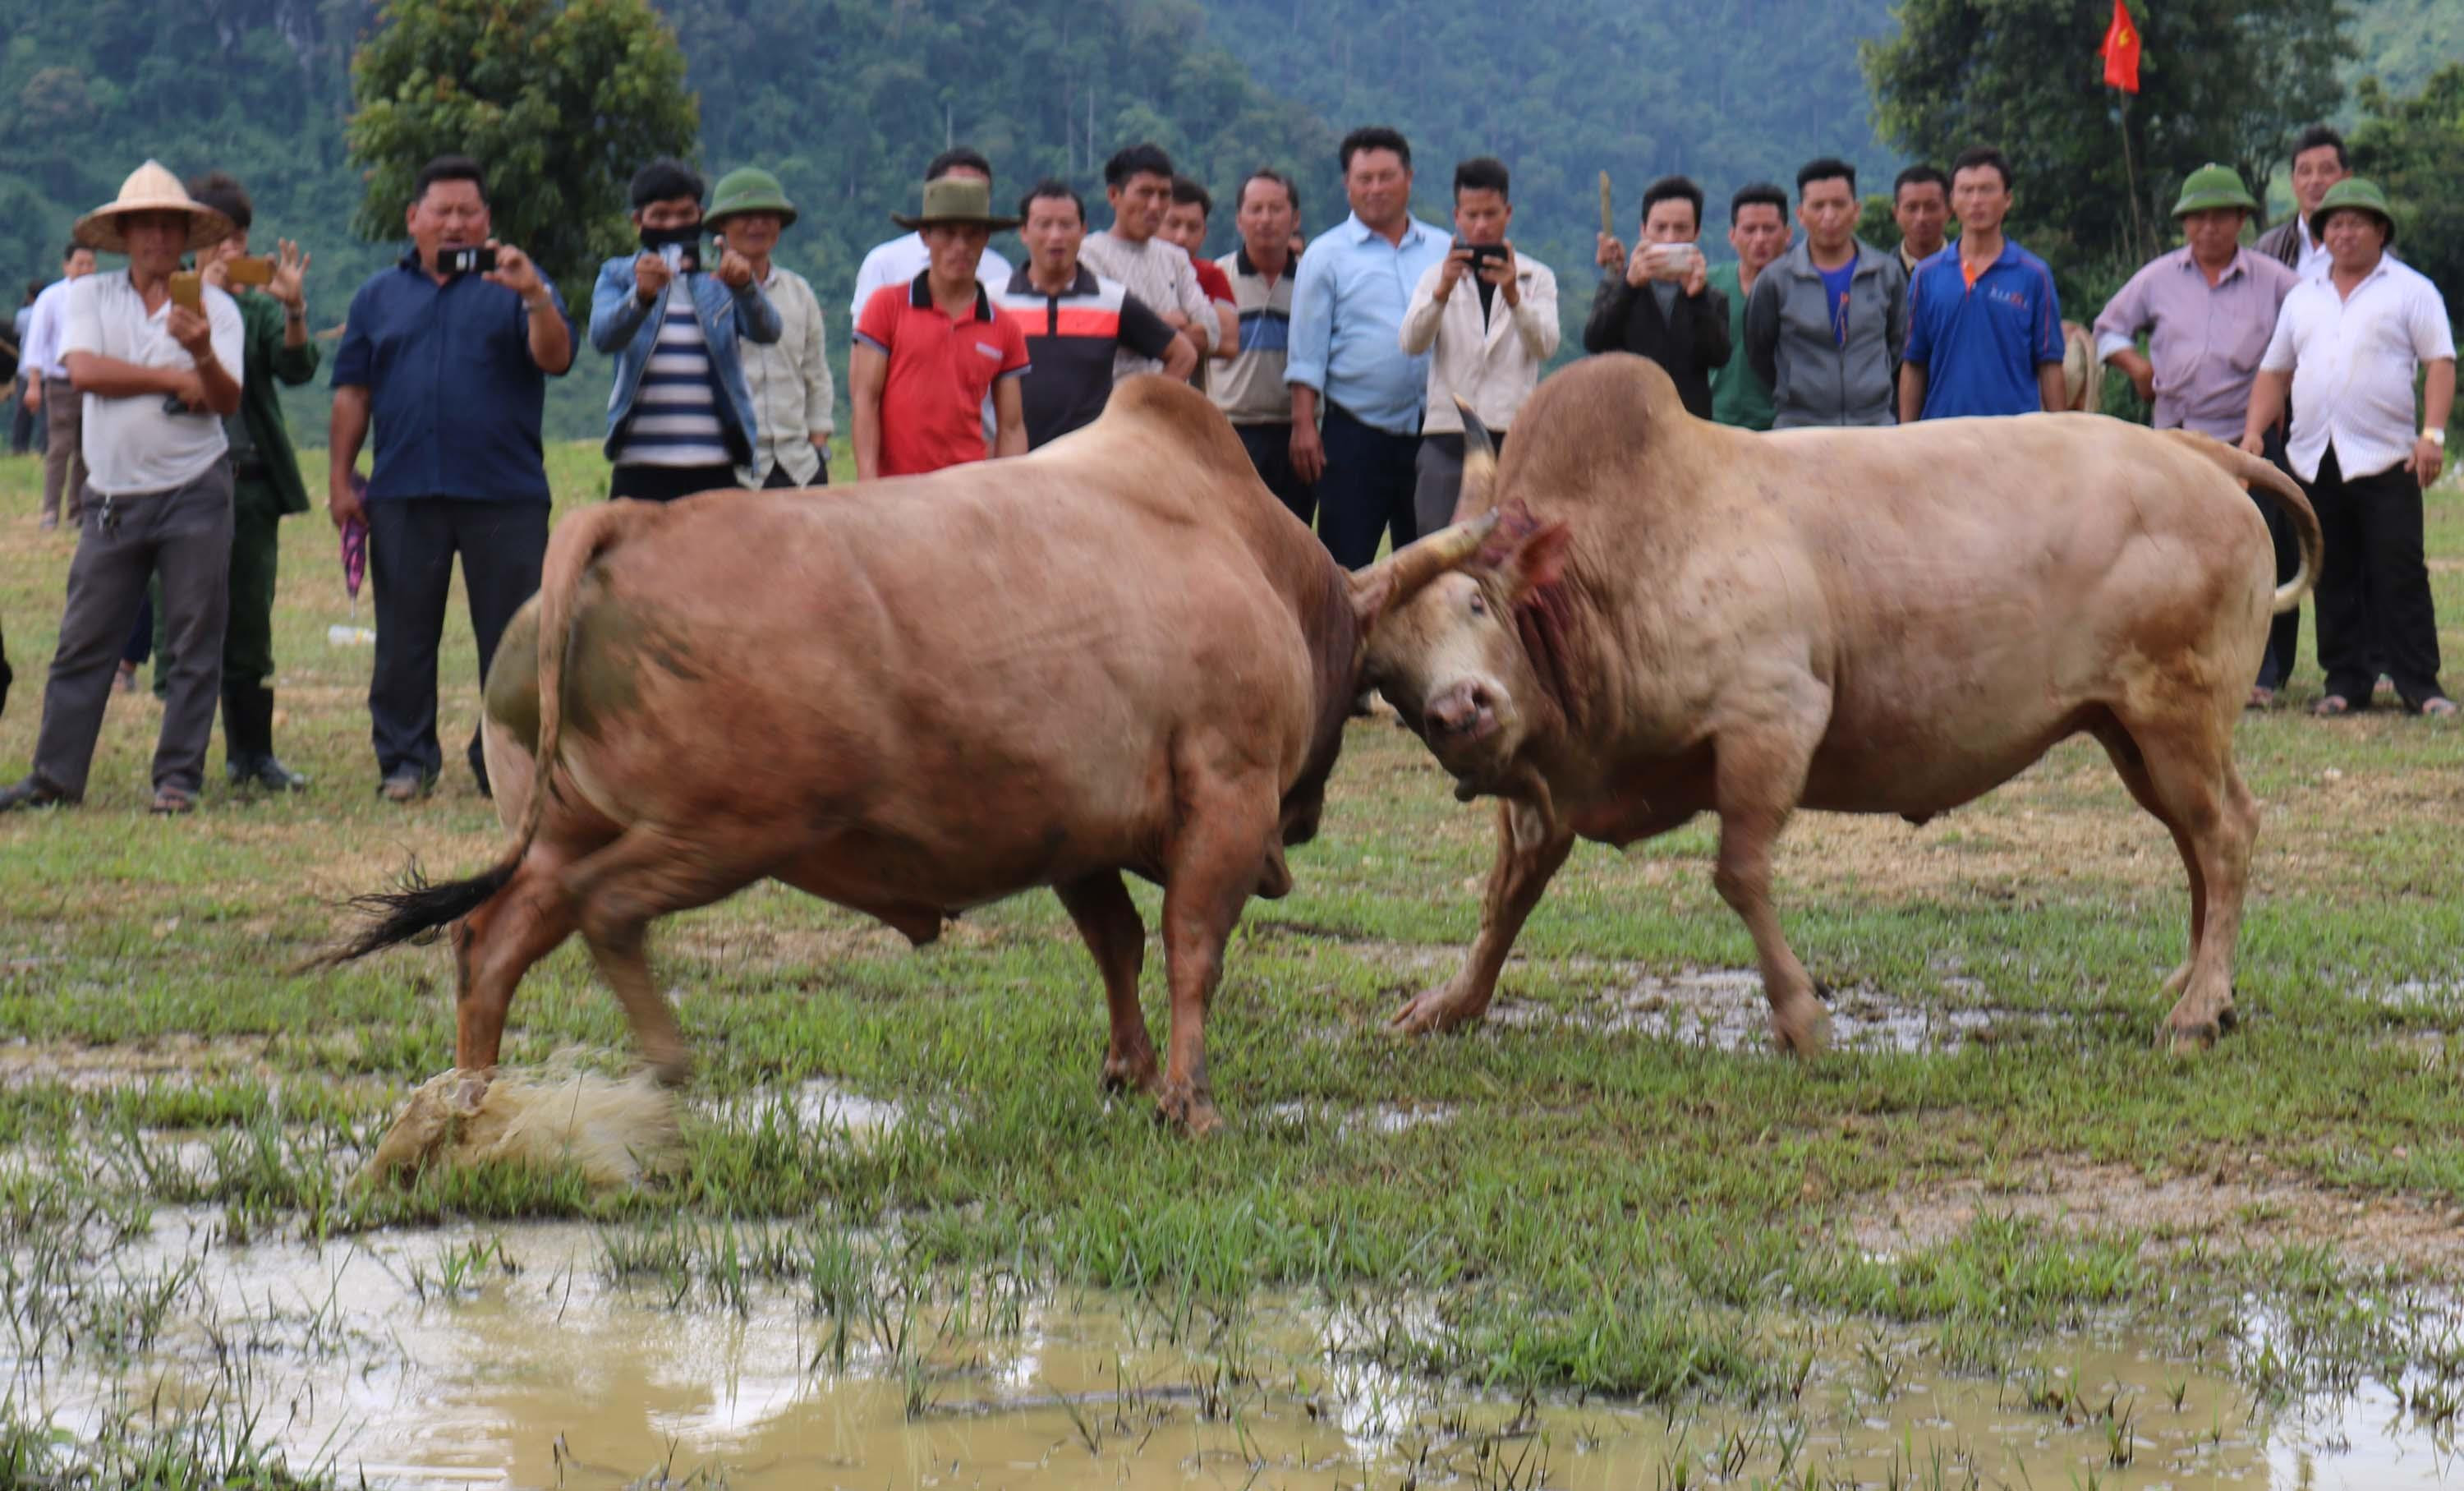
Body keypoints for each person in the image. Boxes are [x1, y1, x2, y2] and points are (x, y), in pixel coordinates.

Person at [328, 154, 575, 803]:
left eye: (470, 211)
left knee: (513, 638)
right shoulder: (377, 296)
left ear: (488, 220)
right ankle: (405, 762)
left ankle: (506, 762)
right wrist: (338, 480)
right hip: (404, 489)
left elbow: (556, 358)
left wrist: (533, 295)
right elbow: (352, 393)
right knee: (405, 637)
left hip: (506, 491)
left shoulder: (520, 283)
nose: (457, 222)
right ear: (414, 219)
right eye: (443, 210)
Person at [0, 163, 243, 816]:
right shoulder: (90, 297)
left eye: (171, 225)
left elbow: (223, 397)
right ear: (125, 235)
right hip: (111, 496)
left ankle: (177, 779)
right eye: (146, 226)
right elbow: (82, 372)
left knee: (194, 638)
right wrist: (173, 379)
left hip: (196, 488)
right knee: (84, 637)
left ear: (187, 234)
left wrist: (201, 357)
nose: (159, 237)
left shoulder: (216, 308)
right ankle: (54, 775)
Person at [2242, 178, 2456, 719]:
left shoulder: (2411, 289)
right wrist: (2252, 431)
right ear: (2322, 234)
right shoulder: (2303, 295)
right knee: (2331, 570)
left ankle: (2420, 685)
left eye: (2357, 222)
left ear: (2381, 230)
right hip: (2314, 454)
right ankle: (2344, 681)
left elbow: (2440, 363)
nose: (2345, 232)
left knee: (2398, 568)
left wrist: (2432, 434)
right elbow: (2275, 370)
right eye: (2335, 224)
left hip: (2388, 455)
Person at [2094, 164, 2301, 706]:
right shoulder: (2157, 278)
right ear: (2185, 224)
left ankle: (2263, 672)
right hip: (2179, 439)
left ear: (2241, 220)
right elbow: (2108, 329)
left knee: (2264, 548)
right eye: (2197, 218)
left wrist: (2288, 391)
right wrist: (2137, 368)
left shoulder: (2274, 279)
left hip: (2251, 435)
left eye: (2221, 216)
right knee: (2178, 554)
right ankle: (2183, 660)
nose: (2209, 227)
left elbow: (2314, 331)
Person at [147, 173, 322, 789]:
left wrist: (294, 307)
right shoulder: (161, 300)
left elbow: (297, 367)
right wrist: (201, 303)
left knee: (250, 616)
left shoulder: (258, 305)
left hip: (247, 482)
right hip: (175, 478)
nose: (230, 248)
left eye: (240, 235)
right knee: (183, 618)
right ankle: (178, 758)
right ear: (197, 239)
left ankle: (252, 754)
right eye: (219, 236)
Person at [1285, 126, 1452, 567]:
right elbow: (1306, 351)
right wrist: (1304, 424)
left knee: (1430, 568)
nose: (1375, 189)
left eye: (1386, 176)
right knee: (1346, 566)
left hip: (1432, 433)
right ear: (1348, 185)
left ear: (1409, 178)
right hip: (1356, 434)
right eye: (1365, 179)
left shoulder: (1443, 250)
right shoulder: (1326, 255)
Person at [588, 159, 780, 503]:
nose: (673, 224)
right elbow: (603, 337)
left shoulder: (719, 280)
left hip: (715, 465)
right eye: (660, 216)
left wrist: (746, 288)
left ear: (701, 217)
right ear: (638, 222)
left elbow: (768, 332)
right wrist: (641, 297)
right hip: (639, 467)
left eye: (684, 214)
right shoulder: (618, 275)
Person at [1400, 156, 1557, 533]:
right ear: (1457, 216)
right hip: (1447, 435)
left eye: (1490, 214)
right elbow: (1411, 343)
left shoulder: (1537, 278)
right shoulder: (1435, 276)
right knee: (1438, 545)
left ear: (1508, 213)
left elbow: (1546, 345)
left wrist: (1513, 294)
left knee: (1508, 553)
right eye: (1472, 215)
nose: (1481, 226)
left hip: (1513, 436)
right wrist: (1441, 292)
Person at [850, 176, 1029, 480]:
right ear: (925, 236)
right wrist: (869, 485)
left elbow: (1011, 426)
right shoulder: (887, 306)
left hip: (968, 489)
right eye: (947, 233)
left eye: (972, 234)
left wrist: (1011, 492)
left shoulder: (1004, 327)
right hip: (897, 488)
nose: (960, 246)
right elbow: (865, 398)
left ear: (986, 238)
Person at [995, 181, 1192, 450]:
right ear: (1024, 232)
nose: (1056, 236)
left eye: (1066, 225)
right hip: (1013, 460)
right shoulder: (994, 301)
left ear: (1083, 231)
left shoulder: (1112, 300)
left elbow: (1182, 355)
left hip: (1090, 463)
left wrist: (1142, 419)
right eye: (1044, 225)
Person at [1899, 147, 2064, 421]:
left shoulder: (2034, 274)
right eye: (1966, 190)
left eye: (1987, 190)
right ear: (1953, 201)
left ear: (2008, 199)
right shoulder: (1926, 275)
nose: (1976, 200)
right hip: (1942, 435)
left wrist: (2061, 439)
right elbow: (1915, 362)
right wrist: (1905, 436)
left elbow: (2049, 363)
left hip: (2015, 438)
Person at [1746, 157, 1908, 429]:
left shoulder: (1886, 274)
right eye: (1818, 206)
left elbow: (1898, 343)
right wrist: (1795, 389)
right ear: (1800, 214)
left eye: (1839, 204)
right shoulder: (1775, 280)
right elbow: (1759, 353)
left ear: (1856, 210)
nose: (1829, 216)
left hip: (1874, 427)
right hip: (1800, 429)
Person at [707, 167, 834, 490]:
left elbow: (815, 373)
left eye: (768, 216)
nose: (758, 225)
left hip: (799, 466)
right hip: (734, 470)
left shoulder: (799, 292)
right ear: (722, 224)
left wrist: (819, 444)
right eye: (746, 216)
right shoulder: (706, 293)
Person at [1211, 168, 1313, 524]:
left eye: (1276, 209)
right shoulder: (1215, 279)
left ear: (1295, 218)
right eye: (1255, 209)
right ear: (1240, 219)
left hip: (1298, 436)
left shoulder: (1314, 280)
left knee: (1294, 539)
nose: (1265, 219)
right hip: (1232, 433)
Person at [1583, 174, 1731, 419]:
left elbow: (1718, 356)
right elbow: (1595, 341)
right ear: (1644, 230)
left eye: (1681, 228)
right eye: (1660, 228)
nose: (1670, 238)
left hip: (1689, 426)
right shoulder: (1617, 287)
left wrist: (1697, 299)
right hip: (1628, 421)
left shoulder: (1712, 297)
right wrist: (1629, 287)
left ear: (1697, 232)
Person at [1079, 144, 1217, 380]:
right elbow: (1102, 334)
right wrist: (1174, 323)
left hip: (1169, 407)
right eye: (1145, 193)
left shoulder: (1175, 258)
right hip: (1113, 406)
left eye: (1164, 195)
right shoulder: (1089, 256)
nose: (1155, 205)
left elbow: (1211, 332)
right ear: (1114, 195)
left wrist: (1145, 332)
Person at [848, 148, 1016, 322]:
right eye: (955, 190)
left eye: (977, 192)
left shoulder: (1000, 271)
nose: (966, 199)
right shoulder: (884, 264)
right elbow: (865, 340)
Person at [21, 244, 101, 527]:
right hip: (60, 381)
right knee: (60, 446)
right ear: (66, 266)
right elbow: (37, 341)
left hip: (92, 382)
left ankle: (77, 511)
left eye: (90, 263)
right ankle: (50, 510)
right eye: (79, 263)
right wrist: (33, 382)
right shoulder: (52, 297)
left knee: (86, 449)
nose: (85, 269)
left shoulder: (101, 295)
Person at [1706, 182, 1790, 430]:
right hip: (1718, 425)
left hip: (1782, 427)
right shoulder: (1708, 284)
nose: (1760, 239)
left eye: (1769, 229)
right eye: (1750, 230)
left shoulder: (1802, 289)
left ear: (1787, 234)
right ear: (1732, 236)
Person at [1161, 176, 1241, 368]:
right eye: (1173, 224)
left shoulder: (1209, 275)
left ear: (1204, 233)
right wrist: (1192, 328)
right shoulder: (1126, 268)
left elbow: (1229, 343)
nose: (1181, 237)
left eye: (1193, 228)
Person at [2253, 125, 2347, 279]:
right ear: (2293, 181)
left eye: (2326, 170)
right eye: (2305, 171)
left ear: (2346, 178)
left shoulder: (2370, 246)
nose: (2315, 180)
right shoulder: (2268, 249)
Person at [1892, 164, 1952, 279]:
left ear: (1949, 211)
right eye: (1911, 208)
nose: (1921, 218)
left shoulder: (1968, 270)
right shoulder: (1880, 274)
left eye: (1932, 207)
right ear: (1896, 214)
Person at [9, 283, 39, 457]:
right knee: (47, 415)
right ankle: (45, 447)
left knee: (22, 413)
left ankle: (19, 448)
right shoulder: (49, 310)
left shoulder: (23, 315)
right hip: (46, 370)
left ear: (29, 296)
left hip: (25, 369)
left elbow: (16, 334)